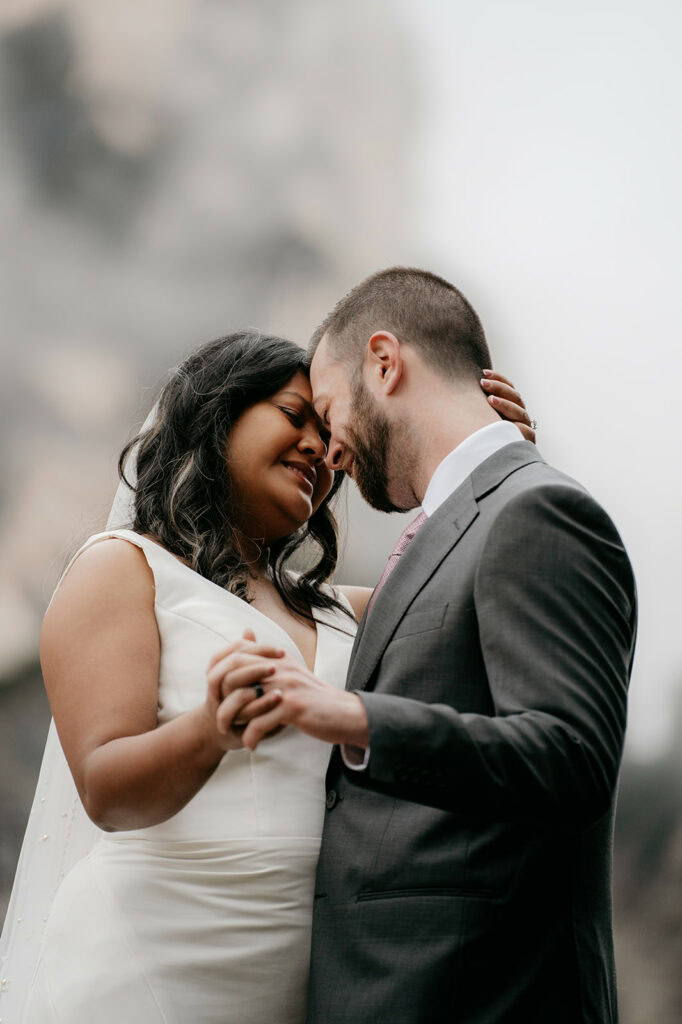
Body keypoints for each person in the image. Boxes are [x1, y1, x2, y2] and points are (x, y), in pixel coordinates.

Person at [0, 327, 531, 1023]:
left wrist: (496, 462)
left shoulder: (353, 612)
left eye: (328, 431)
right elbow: (106, 790)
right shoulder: (124, 568)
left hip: (305, 988)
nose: (318, 446)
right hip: (147, 971)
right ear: (219, 414)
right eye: (291, 415)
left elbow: (480, 590)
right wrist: (207, 730)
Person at [211, 268, 637, 1024]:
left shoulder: (538, 512)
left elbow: (570, 757)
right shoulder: (460, 528)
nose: (329, 454)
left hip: (482, 997)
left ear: (385, 361)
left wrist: (355, 718)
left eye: (331, 409)